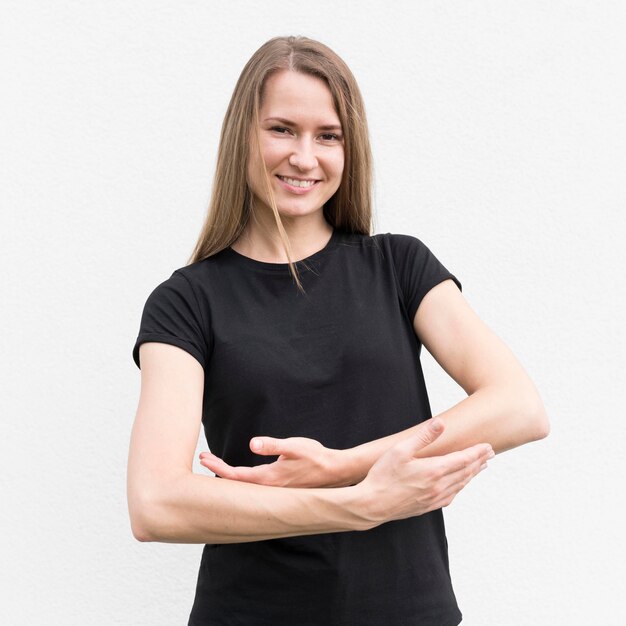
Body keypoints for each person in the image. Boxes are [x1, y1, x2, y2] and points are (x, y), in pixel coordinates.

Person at [127, 35, 549, 625]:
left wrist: (343, 466)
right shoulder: (186, 302)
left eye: (328, 136)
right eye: (281, 129)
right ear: (241, 136)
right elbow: (155, 505)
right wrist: (357, 506)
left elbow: (520, 408)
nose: (305, 157)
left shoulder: (399, 266)